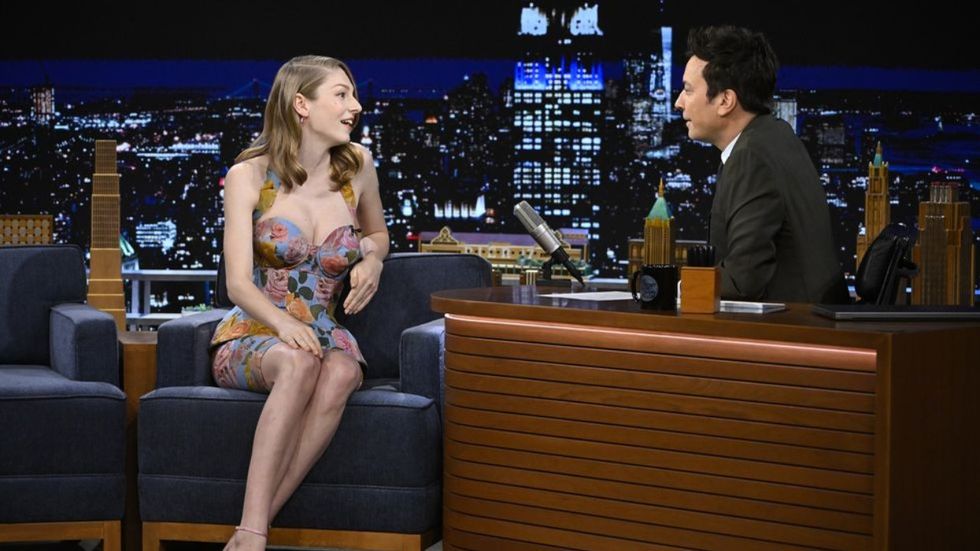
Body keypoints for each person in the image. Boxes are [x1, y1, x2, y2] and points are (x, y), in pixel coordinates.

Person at [209, 55, 389, 550]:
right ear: (301, 105)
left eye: (354, 95)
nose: (355, 106)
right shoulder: (250, 175)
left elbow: (377, 234)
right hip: (256, 331)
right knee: (299, 362)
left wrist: (373, 259)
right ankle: (253, 531)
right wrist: (283, 326)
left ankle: (252, 529)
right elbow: (238, 284)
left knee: (343, 370)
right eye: (341, 95)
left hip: (326, 330)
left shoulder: (357, 166)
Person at [674, 26, 848, 303]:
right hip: (808, 318)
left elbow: (741, 282)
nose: (678, 103)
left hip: (792, 326)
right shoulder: (776, 135)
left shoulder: (751, 158)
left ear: (725, 100)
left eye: (687, 90)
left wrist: (671, 290)